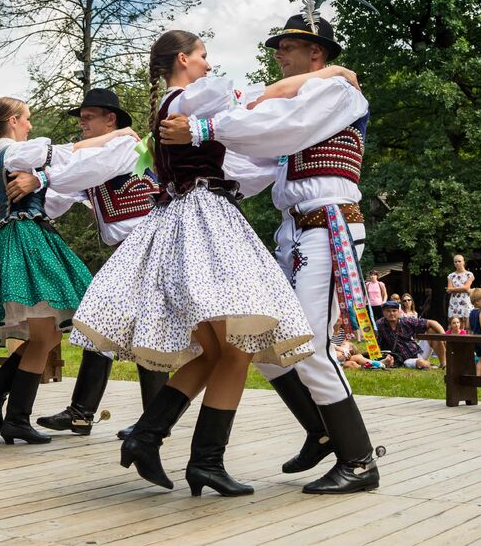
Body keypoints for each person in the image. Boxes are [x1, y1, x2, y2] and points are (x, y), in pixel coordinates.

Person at [75, 30, 318, 497]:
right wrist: (324, 76)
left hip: (186, 218)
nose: (209, 64)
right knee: (233, 349)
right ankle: (198, 458)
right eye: (203, 56)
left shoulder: (174, 106)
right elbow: (248, 99)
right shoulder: (191, 98)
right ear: (183, 59)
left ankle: (153, 438)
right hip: (201, 221)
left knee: (222, 352)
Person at [155, 13, 385, 495]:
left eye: (288, 46)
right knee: (263, 341)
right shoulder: (304, 92)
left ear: (316, 53)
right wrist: (201, 172)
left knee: (310, 344)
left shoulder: (338, 93)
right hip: (295, 232)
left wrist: (202, 128)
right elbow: (253, 161)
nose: (278, 53)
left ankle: (360, 460)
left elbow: (281, 127)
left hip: (330, 225)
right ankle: (320, 430)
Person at [0, 97, 129, 445]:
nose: (30, 125)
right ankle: (15, 418)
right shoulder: (18, 152)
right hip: (26, 240)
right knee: (44, 336)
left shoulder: (8, 154)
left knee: (50, 335)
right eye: (26, 119)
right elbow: (69, 151)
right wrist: (120, 136)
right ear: (11, 121)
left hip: (24, 236)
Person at [15, 88, 166, 439]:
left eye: (88, 117)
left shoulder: (125, 147)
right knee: (103, 323)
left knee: (132, 326)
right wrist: (27, 203)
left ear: (110, 120)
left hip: (150, 245)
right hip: (131, 251)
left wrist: (41, 176)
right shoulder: (95, 160)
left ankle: (150, 421)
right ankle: (85, 413)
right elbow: (60, 198)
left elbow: (86, 170)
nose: (81, 123)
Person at [376, 301, 446, 370]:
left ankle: (443, 364)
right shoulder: (379, 325)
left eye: (394, 311)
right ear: (383, 312)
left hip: (418, 352)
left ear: (398, 312)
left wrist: (444, 337)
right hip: (404, 359)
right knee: (422, 363)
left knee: (432, 331)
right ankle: (429, 365)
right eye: (388, 311)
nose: (391, 313)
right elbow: (375, 343)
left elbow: (432, 322)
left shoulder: (406, 321)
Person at [447, 255, 474, 325]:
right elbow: (449, 289)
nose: (457, 263)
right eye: (455, 262)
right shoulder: (451, 275)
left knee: (467, 323)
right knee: (454, 323)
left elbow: (466, 288)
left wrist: (453, 289)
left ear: (463, 262)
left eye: (459, 261)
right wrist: (463, 289)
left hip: (465, 301)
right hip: (454, 302)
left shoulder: (469, 274)